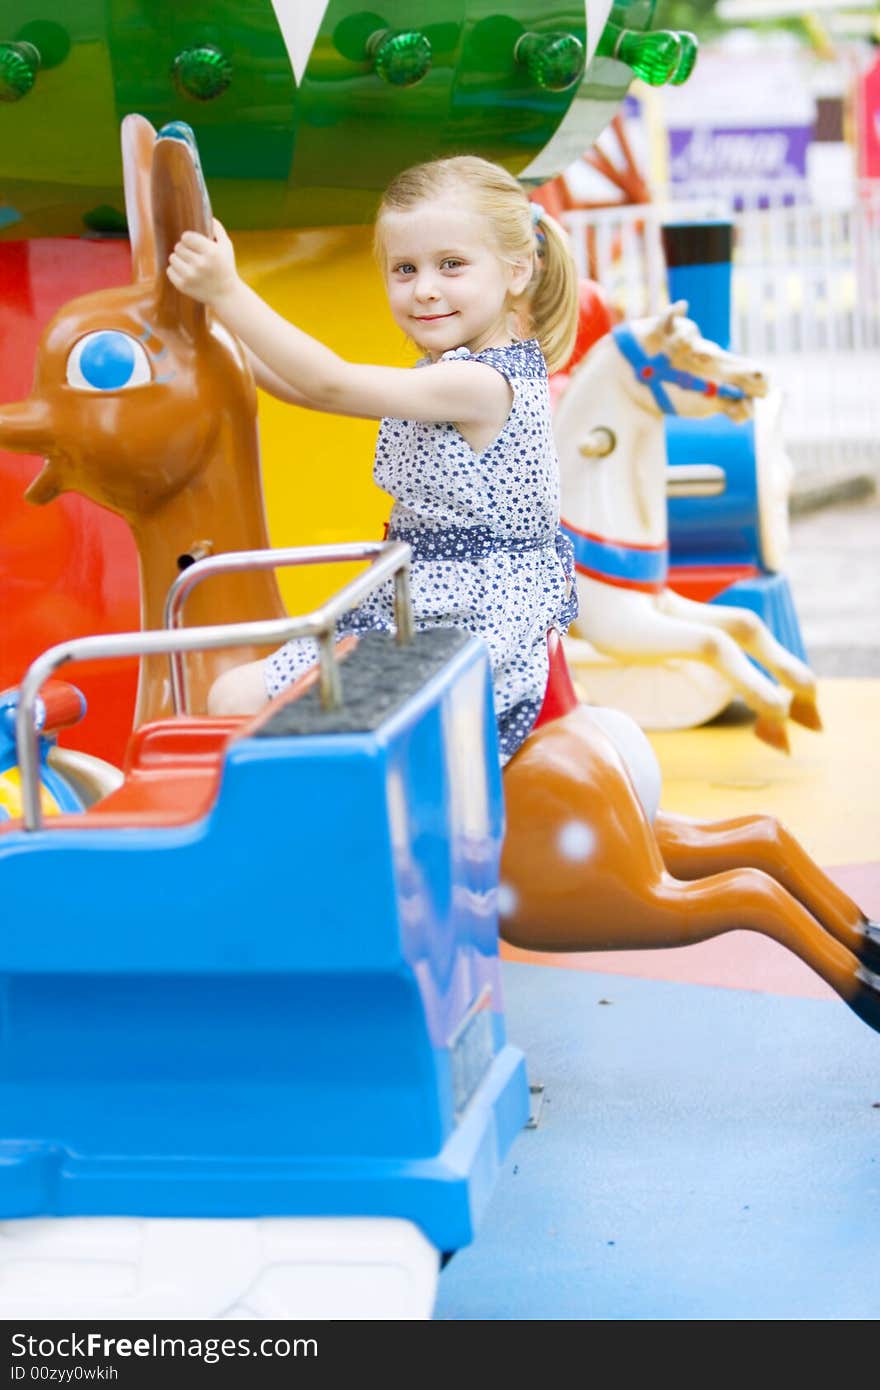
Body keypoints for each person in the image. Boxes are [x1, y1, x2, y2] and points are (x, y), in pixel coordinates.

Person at [166, 155, 580, 762]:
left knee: (237, 694)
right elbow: (306, 389)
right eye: (404, 268)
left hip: (464, 625)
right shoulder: (450, 372)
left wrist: (227, 292)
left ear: (517, 271)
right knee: (240, 687)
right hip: (417, 601)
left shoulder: (485, 384)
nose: (425, 288)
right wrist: (215, 342)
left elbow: (331, 382)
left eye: (452, 265)